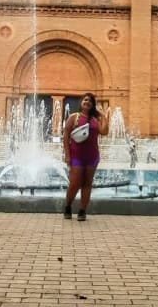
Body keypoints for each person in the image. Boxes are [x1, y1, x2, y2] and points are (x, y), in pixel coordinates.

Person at [62, 93, 110, 221]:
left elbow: (104, 132)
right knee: (75, 183)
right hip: (76, 156)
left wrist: (103, 116)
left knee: (87, 184)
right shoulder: (74, 117)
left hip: (92, 157)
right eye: (85, 99)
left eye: (90, 101)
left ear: (93, 105)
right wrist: (67, 155)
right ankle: (68, 205)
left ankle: (82, 211)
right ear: (81, 102)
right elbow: (66, 136)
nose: (87, 102)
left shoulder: (95, 121)